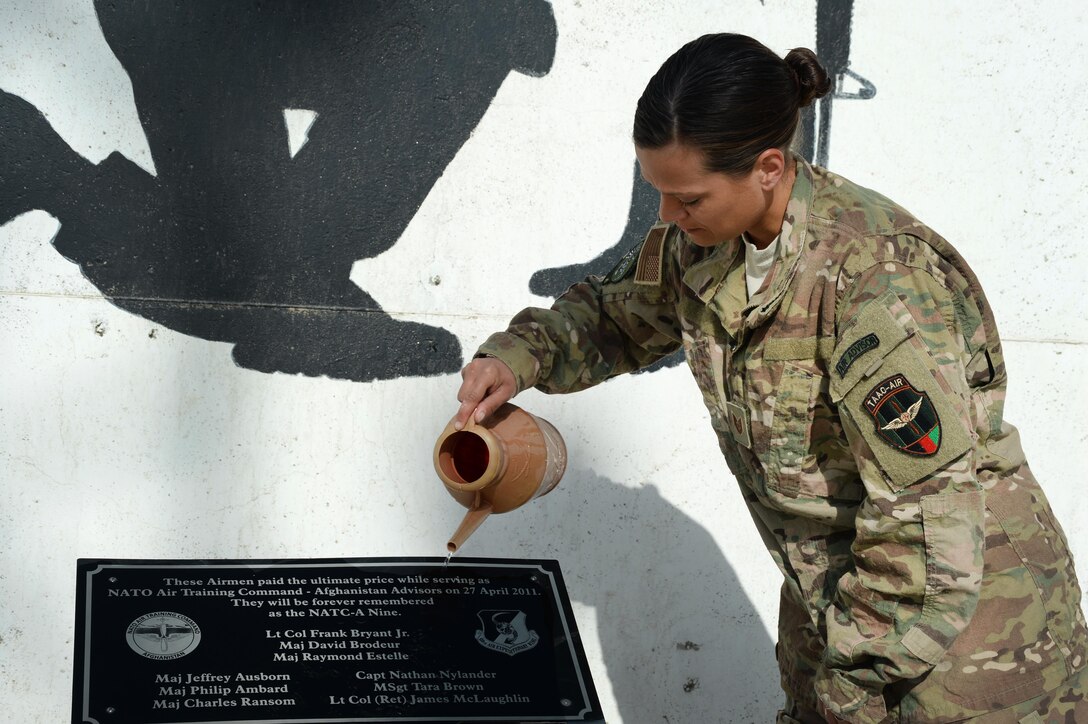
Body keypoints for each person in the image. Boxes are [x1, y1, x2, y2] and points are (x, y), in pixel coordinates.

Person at [452, 33, 1087, 723]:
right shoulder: (702, 246)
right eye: (658, 192)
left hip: (968, 649)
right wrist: (516, 358)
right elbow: (614, 316)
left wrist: (851, 690)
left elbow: (929, 530)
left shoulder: (875, 279)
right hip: (840, 610)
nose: (666, 215)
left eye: (686, 197)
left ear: (767, 167)